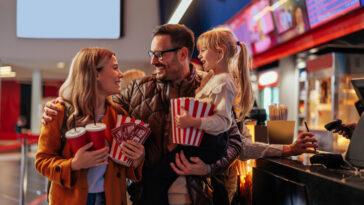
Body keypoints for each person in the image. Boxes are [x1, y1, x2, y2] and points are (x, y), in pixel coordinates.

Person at [42, 24, 318, 205]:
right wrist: (57, 106)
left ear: (184, 53)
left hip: (202, 194)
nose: (152, 61)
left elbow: (236, 142)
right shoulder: (137, 90)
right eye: (151, 54)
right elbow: (96, 104)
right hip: (148, 196)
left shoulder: (212, 88)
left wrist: (210, 166)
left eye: (160, 54)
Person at [147, 27, 253, 205]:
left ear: (220, 52)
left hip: (209, 145)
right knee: (159, 178)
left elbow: (223, 122)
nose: (200, 55)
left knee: (157, 178)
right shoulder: (213, 79)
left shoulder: (224, 82)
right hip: (206, 144)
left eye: (204, 50)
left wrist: (192, 121)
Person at [35, 47, 145, 205]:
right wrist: (73, 164)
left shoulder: (119, 114)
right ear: (96, 74)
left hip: (110, 198)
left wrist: (137, 159)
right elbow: (41, 161)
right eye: (114, 68)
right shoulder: (59, 112)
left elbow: (125, 169)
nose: (120, 74)